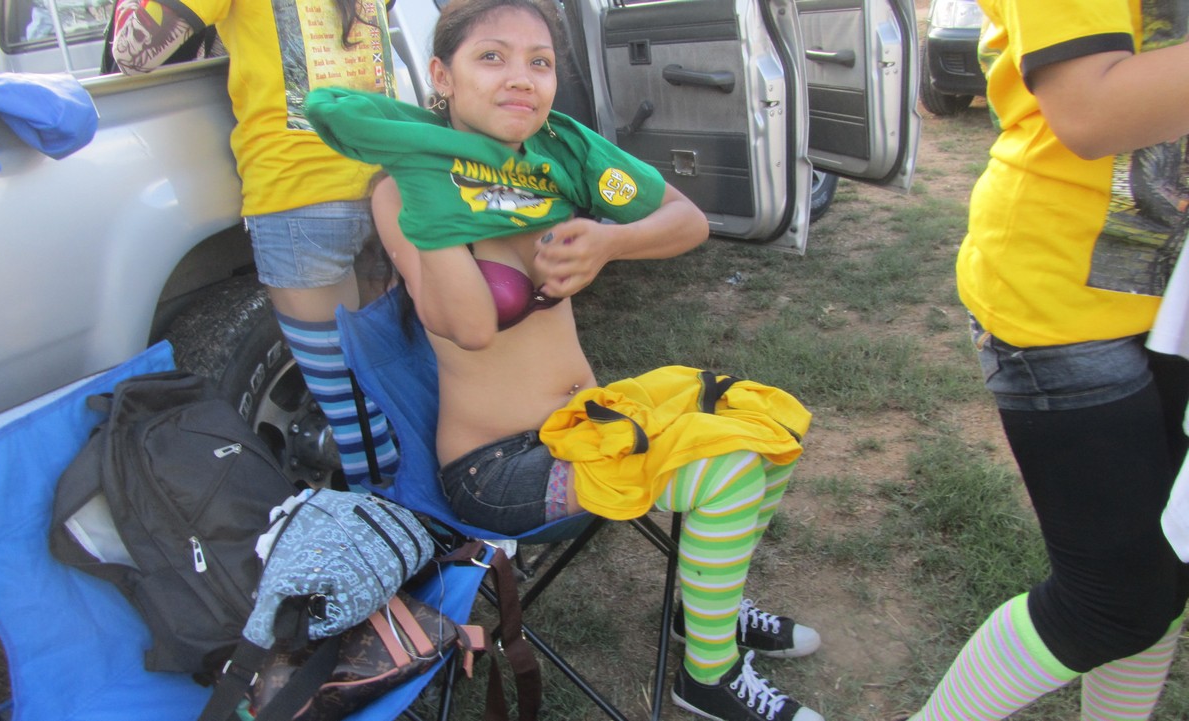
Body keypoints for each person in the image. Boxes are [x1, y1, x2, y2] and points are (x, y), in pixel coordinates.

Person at [303, 0, 824, 718]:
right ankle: (706, 678)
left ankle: (709, 609)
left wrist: (610, 241)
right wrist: (424, 172)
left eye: (539, 62)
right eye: (492, 57)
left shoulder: (562, 153)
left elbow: (687, 219)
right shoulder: (404, 188)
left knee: (766, 424)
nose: (521, 77)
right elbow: (470, 327)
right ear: (441, 76)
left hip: (586, 420)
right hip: (498, 468)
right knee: (726, 466)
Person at [908, 1, 1189, 719]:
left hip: (1174, 301)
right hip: (1060, 300)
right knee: (1112, 602)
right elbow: (1090, 111)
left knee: (1167, 576)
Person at [109, 0, 399, 486]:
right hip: (387, 181)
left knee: (350, 402)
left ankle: (395, 515)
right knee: (395, 377)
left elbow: (132, 54)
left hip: (299, 190)